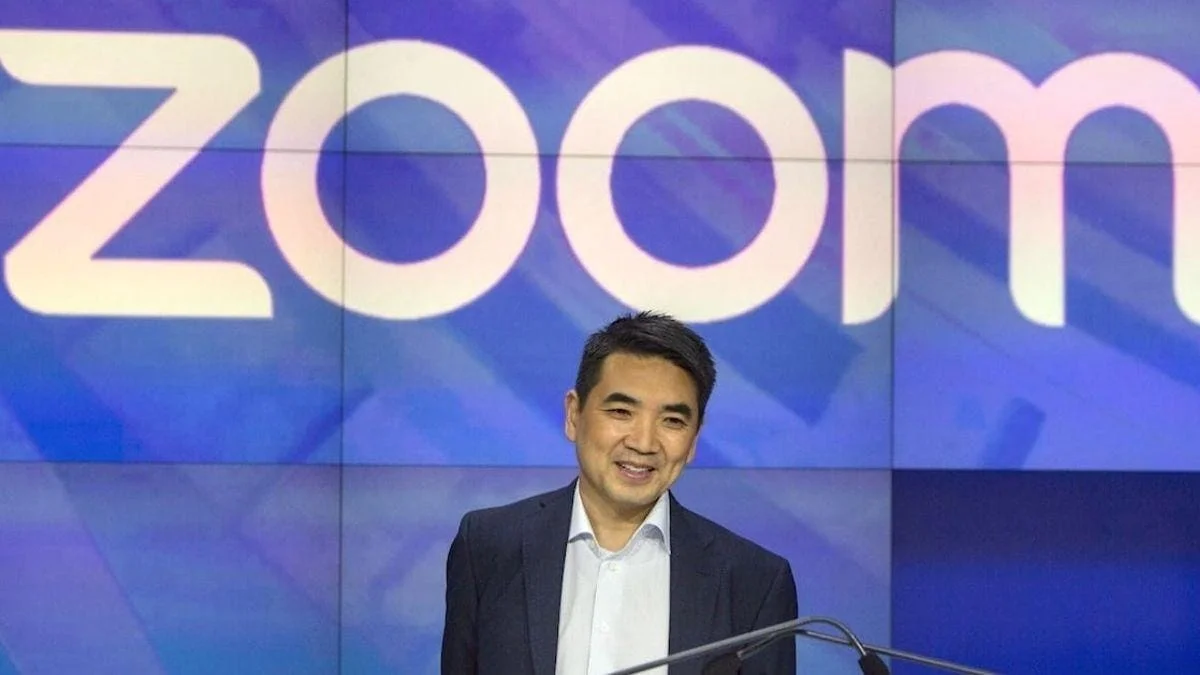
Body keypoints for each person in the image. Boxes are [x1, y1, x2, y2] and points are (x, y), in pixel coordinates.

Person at [441, 311, 798, 675]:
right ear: (574, 415)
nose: (643, 442)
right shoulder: (488, 547)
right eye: (621, 411)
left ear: (694, 439)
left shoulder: (754, 583)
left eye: (672, 421)